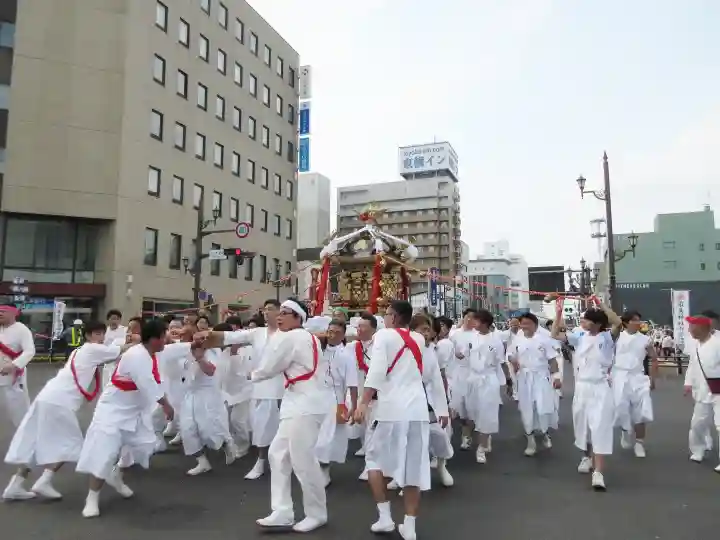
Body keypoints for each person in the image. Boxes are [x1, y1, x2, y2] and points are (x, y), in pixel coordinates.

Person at [197, 298, 331, 532]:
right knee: (278, 454)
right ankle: (282, 511)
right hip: (298, 401)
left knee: (302, 460)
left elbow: (271, 366)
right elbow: (237, 338)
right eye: (279, 312)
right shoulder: (297, 336)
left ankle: (316, 513)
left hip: (307, 403)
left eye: (286, 313)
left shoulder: (294, 337)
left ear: (298, 318)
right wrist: (211, 335)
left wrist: (251, 376)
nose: (280, 316)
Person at [3, 321, 136, 501]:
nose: (101, 338)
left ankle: (16, 484)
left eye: (102, 334)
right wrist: (139, 341)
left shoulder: (79, 351)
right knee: (70, 443)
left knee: (35, 441)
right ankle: (44, 480)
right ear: (88, 336)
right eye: (97, 334)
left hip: (48, 397)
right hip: (60, 401)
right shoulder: (92, 349)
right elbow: (122, 350)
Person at [76, 319, 191, 518]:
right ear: (154, 339)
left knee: (141, 446)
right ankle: (92, 497)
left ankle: (116, 475)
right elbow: (148, 385)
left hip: (135, 412)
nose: (167, 340)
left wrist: (194, 344)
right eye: (165, 336)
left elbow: (175, 350)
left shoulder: (153, 351)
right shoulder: (137, 356)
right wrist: (166, 405)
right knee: (105, 453)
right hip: (113, 411)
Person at [355, 301, 449, 540]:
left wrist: (363, 402)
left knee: (375, 462)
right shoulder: (420, 340)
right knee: (413, 468)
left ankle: (385, 517)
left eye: (386, 314)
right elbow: (433, 376)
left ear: (394, 317)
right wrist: (442, 408)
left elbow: (376, 371)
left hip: (390, 410)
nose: (384, 318)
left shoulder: (383, 336)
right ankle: (410, 527)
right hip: (417, 411)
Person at [552, 299, 621, 491]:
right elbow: (555, 334)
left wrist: (602, 304)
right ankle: (585, 457)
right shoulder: (579, 337)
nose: (582, 322)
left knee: (600, 427)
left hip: (600, 388)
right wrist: (558, 313)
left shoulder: (607, 338)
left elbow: (617, 323)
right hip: (582, 388)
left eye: (586, 320)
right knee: (582, 424)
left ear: (597, 323)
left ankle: (598, 472)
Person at [180, 322, 240, 476]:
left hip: (208, 395)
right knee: (187, 430)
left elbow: (211, 371)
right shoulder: (184, 351)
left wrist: (200, 358)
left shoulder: (213, 352)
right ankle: (202, 462)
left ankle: (227, 444)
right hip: (190, 396)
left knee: (210, 430)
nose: (196, 341)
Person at [511, 312, 561, 457]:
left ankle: (545, 433)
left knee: (542, 407)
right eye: (523, 323)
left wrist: (556, 377)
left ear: (535, 325)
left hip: (541, 377)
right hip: (524, 379)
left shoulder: (544, 340)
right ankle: (530, 441)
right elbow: (511, 356)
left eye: (528, 323)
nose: (525, 326)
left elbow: (552, 360)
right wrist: (514, 363)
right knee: (527, 409)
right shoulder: (517, 340)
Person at [316, 319, 358, 487]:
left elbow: (352, 384)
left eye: (336, 333)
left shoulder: (346, 355)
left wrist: (354, 407)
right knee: (314, 436)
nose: (332, 335)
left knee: (327, 439)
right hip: (315, 397)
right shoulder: (318, 349)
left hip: (335, 399)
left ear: (343, 336)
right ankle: (315, 468)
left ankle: (324, 470)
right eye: (330, 331)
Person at [613, 310, 658, 458]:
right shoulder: (617, 336)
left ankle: (639, 443)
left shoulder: (645, 339)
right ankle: (625, 431)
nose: (638, 323)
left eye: (639, 320)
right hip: (619, 376)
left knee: (641, 411)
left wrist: (652, 378)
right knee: (620, 408)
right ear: (626, 322)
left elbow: (654, 358)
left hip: (638, 377)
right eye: (635, 320)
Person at [466, 310, 508, 464]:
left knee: (487, 413)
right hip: (473, 379)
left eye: (475, 320)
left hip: (488, 379)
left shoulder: (495, 340)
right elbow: (463, 353)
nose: (472, 323)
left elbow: (501, 363)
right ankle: (485, 437)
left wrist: (507, 382)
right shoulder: (471, 337)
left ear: (484, 323)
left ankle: (481, 448)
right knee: (473, 413)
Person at [683, 314, 720, 471]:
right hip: (702, 390)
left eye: (692, 327)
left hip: (718, 389)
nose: (690, 330)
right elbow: (692, 364)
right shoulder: (695, 344)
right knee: (697, 424)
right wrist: (688, 382)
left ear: (703, 328)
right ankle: (698, 449)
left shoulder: (717, 344)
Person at [0, 304, 36, 428]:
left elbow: (29, 351)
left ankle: (27, 438)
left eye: (4, 311)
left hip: (13, 378)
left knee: (19, 412)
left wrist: (14, 365)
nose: (0, 313)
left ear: (14, 313)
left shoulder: (21, 329)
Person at [448, 309, 478, 450]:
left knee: (472, 408)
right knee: (458, 407)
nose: (470, 320)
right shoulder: (454, 334)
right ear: (463, 317)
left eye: (473, 318)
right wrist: (455, 353)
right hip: (457, 373)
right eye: (468, 317)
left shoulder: (477, 335)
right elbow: (448, 351)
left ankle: (468, 436)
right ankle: (464, 432)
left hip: (473, 374)